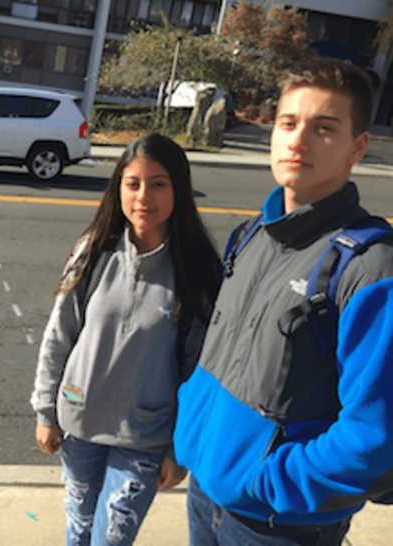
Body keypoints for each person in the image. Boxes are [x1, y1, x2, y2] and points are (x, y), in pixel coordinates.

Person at [173, 59, 393, 546]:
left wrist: (270, 483)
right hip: (207, 492)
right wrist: (191, 432)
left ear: (358, 147)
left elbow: (375, 435)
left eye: (324, 128)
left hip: (276, 525)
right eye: (288, 124)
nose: (298, 140)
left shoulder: (371, 268)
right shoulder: (251, 234)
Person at [31, 133, 221, 546]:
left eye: (158, 184)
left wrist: (178, 448)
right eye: (132, 183)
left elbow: (198, 370)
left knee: (111, 539)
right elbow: (59, 336)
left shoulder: (198, 271)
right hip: (79, 424)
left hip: (146, 436)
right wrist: (46, 411)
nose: (143, 196)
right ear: (118, 187)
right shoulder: (92, 251)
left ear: (179, 190)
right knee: (79, 530)